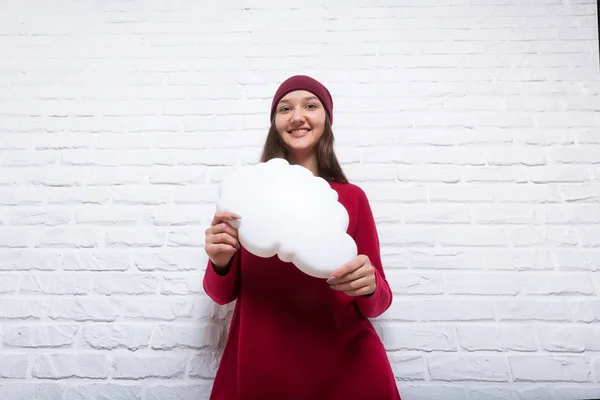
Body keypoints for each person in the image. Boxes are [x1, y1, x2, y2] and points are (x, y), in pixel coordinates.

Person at [203, 75, 401, 400]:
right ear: (275, 123)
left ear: (327, 120)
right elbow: (221, 295)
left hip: (348, 369)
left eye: (310, 105)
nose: (297, 116)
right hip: (261, 367)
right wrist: (219, 262)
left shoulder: (351, 198)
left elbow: (377, 303)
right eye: (285, 108)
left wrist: (370, 285)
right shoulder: (246, 196)